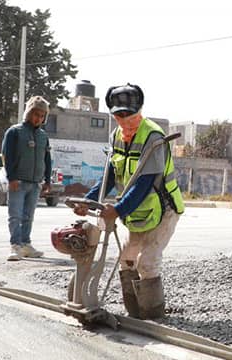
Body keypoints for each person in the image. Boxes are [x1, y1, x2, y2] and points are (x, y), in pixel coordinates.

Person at [74, 84, 184, 319]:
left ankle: (153, 315)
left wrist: (118, 209)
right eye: (119, 116)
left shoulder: (153, 137)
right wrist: (88, 200)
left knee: (147, 262)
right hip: (136, 211)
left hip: (163, 209)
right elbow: (111, 176)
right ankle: (135, 314)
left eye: (130, 116)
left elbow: (144, 183)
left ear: (139, 111)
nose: (125, 121)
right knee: (127, 259)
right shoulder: (116, 136)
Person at [2, 96, 52, 261]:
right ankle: (15, 246)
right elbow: (6, 156)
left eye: (42, 116)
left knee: (28, 216)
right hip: (18, 182)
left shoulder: (43, 136)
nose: (39, 118)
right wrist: (12, 178)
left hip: (35, 183)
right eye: (36, 114)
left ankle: (26, 244)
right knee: (15, 215)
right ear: (29, 113)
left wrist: (47, 181)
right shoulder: (15, 132)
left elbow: (47, 159)